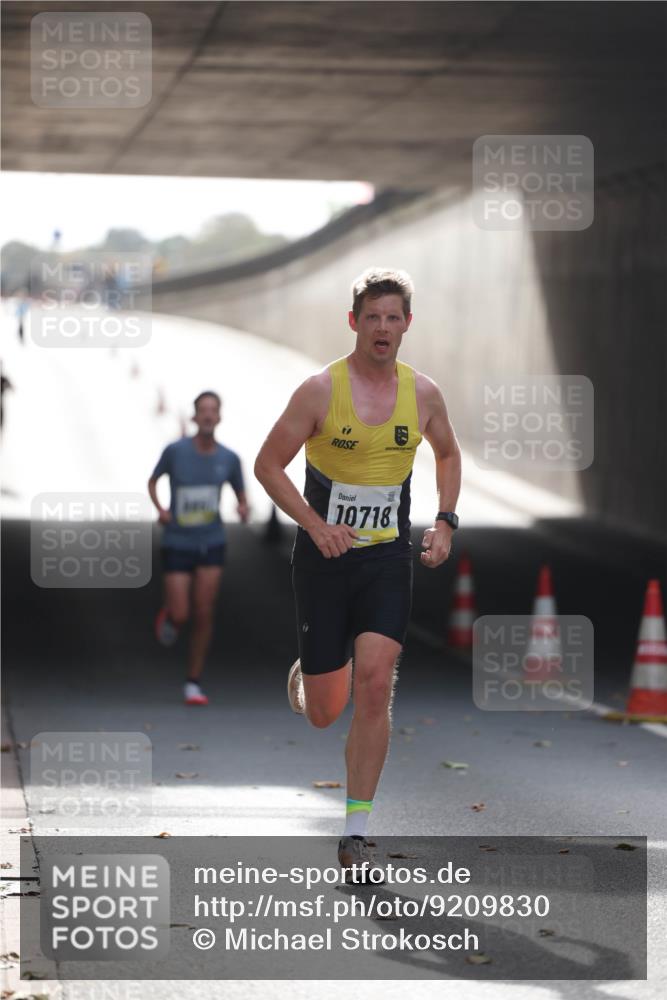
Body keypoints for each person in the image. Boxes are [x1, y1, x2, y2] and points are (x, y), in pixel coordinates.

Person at [254, 268, 462, 873]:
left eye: (393, 317)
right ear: (354, 322)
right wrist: (315, 525)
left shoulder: (422, 394)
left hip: (386, 557)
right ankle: (314, 670)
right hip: (322, 561)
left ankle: (355, 831)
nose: (382, 327)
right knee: (325, 712)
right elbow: (269, 465)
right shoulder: (320, 390)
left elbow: (447, 451)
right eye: (371, 316)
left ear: (406, 325)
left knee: (376, 681)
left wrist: (446, 520)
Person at [148, 391, 249, 705]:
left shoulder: (229, 459)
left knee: (204, 613)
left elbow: (242, 496)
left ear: (219, 417)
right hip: (178, 541)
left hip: (211, 543)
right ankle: (172, 618)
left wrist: (244, 509)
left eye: (213, 411)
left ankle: (193, 681)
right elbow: (153, 481)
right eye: (202, 411)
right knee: (182, 613)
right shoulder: (175, 452)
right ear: (194, 417)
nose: (207, 416)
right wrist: (161, 509)